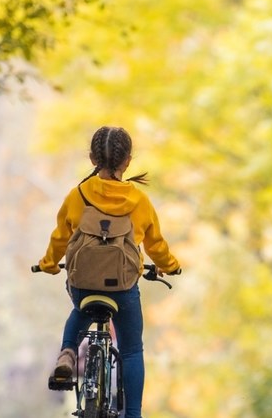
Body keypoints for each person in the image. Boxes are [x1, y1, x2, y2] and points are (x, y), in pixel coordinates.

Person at [36, 126, 181, 418]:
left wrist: (49, 264)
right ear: (127, 160)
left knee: (79, 308)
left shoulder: (77, 195)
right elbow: (156, 245)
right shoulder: (139, 201)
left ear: (92, 158)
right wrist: (171, 266)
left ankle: (67, 352)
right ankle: (134, 415)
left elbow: (59, 239)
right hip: (123, 288)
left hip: (84, 285)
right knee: (131, 350)